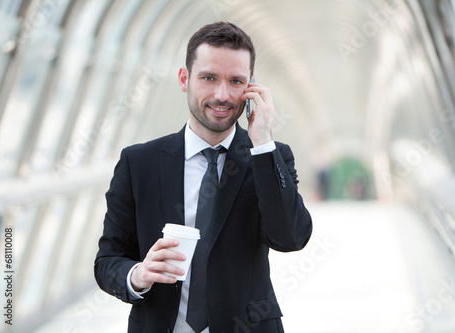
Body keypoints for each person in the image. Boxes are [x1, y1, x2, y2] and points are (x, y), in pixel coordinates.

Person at [94, 21, 312, 333]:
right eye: (209, 78)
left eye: (235, 81)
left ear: (251, 86)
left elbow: (291, 238)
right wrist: (138, 275)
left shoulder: (267, 157)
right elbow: (108, 261)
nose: (222, 95)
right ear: (184, 79)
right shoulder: (139, 162)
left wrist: (262, 142)